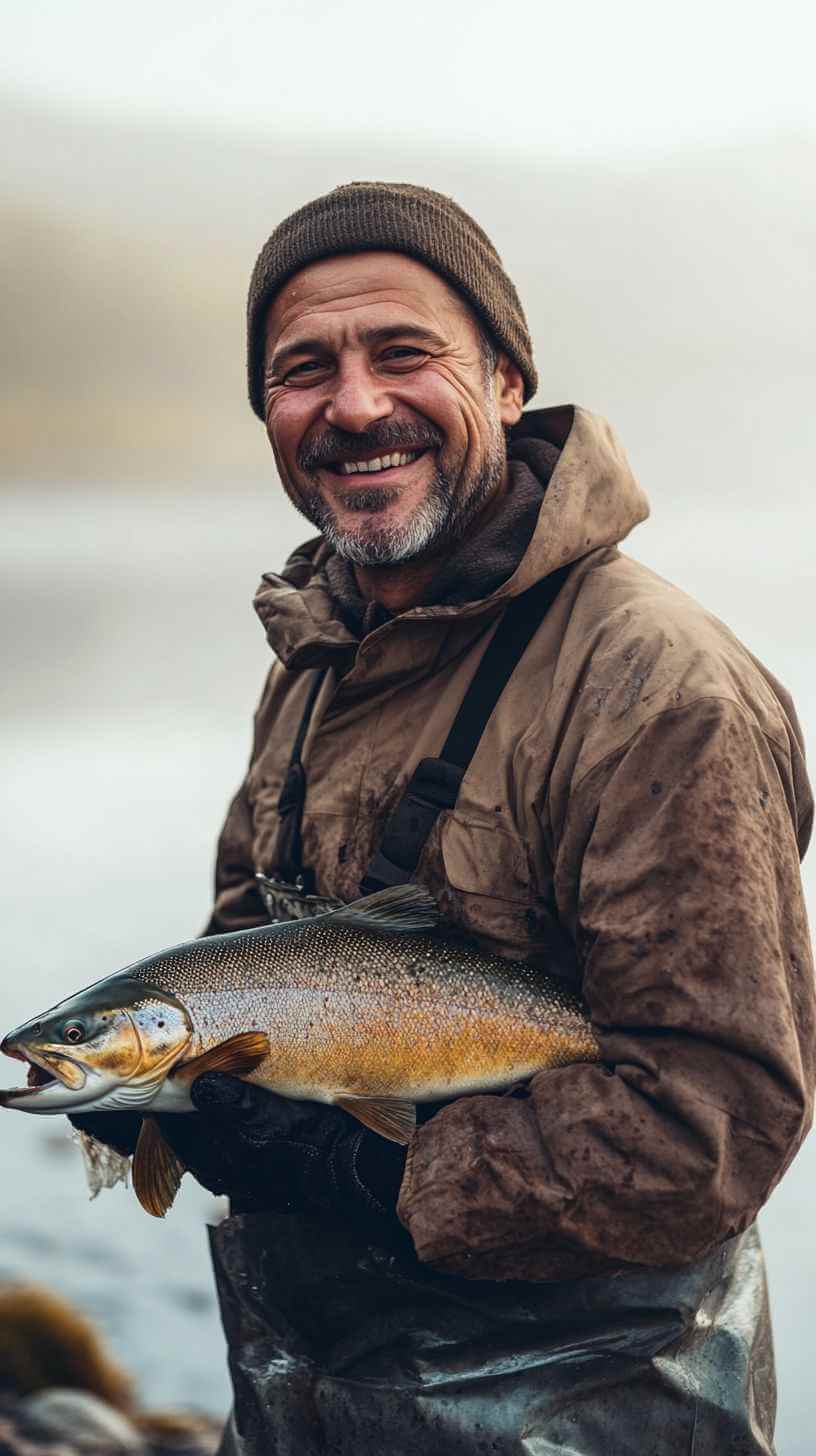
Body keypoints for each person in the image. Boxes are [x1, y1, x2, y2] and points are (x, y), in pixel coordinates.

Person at [75, 183, 814, 1455]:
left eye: (403, 353)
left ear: (510, 382)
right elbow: (251, 932)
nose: (355, 405)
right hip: (303, 1393)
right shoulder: (315, 648)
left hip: (596, 1410)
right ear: (269, 415)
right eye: (303, 370)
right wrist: (172, 1099)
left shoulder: (660, 692)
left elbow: (713, 1114)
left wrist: (382, 1173)